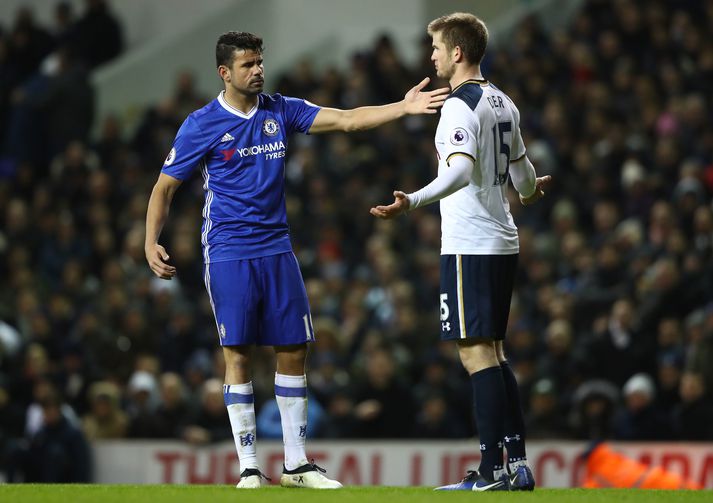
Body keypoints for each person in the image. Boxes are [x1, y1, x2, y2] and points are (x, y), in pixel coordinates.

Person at [144, 31, 448, 489]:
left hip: (278, 248)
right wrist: (151, 242)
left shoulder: (280, 109)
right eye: (248, 64)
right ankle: (248, 467)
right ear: (225, 73)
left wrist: (401, 108)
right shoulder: (201, 123)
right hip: (228, 250)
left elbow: (347, 120)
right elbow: (164, 188)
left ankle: (296, 464)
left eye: (260, 62)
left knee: (293, 348)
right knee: (239, 353)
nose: (258, 70)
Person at [371, 12, 551, 491]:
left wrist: (413, 200)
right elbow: (524, 173)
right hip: (503, 239)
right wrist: (532, 194)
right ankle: (517, 464)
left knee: (475, 355)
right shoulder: (503, 101)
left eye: (435, 47)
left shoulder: (458, 106)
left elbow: (456, 171)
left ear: (457, 52)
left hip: (470, 243)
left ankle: (492, 471)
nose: (430, 55)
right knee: (494, 352)